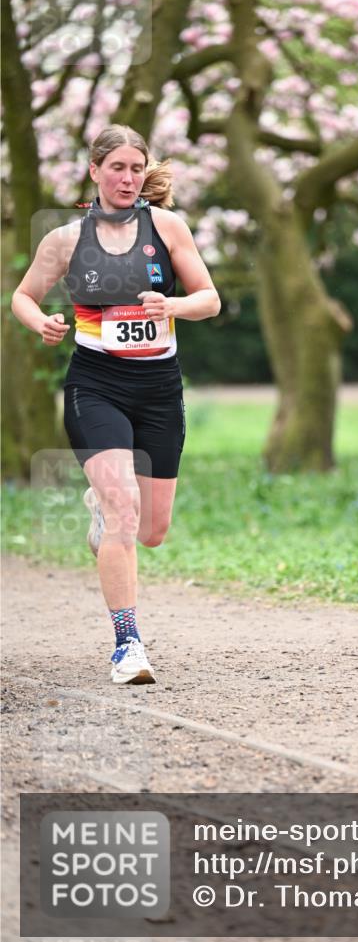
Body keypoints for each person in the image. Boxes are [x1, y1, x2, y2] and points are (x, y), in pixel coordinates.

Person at [11, 124, 221, 685]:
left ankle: (104, 509)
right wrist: (42, 322)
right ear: (95, 171)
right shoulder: (65, 239)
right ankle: (128, 645)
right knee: (124, 510)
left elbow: (209, 299)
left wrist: (172, 306)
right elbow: (23, 296)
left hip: (159, 389)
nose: (128, 179)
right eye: (117, 168)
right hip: (96, 385)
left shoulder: (167, 227)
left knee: (151, 530)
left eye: (136, 168)